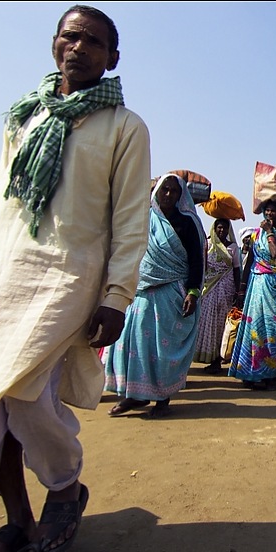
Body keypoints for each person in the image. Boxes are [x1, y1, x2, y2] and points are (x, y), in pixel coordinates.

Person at [0, 4, 151, 552]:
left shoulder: (125, 127)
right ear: (54, 42)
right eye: (70, 36)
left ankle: (63, 487)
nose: (78, 47)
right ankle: (16, 520)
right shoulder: (22, 116)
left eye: (93, 42)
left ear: (113, 58)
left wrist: (117, 295)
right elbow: (5, 202)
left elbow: (131, 220)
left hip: (67, 276)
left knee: (25, 393)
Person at [104, 174, 204, 418]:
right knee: (134, 342)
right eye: (165, 190)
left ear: (181, 196)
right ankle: (133, 396)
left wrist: (192, 292)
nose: (168, 194)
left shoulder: (188, 223)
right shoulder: (145, 219)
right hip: (141, 292)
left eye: (174, 191)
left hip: (172, 292)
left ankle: (162, 398)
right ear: (157, 192)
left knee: (163, 347)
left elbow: (196, 259)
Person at [228, 200, 276, 391]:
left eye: (273, 211)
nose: (269, 214)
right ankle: (248, 373)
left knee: (272, 330)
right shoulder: (256, 235)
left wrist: (269, 233)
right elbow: (250, 261)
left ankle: (268, 374)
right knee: (253, 329)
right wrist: (241, 289)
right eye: (267, 211)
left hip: (275, 286)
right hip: (256, 286)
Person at [193, 218, 240, 375]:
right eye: (219, 227)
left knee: (220, 326)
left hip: (225, 290)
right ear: (215, 228)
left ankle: (216, 361)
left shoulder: (233, 247)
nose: (222, 231)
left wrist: (238, 292)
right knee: (205, 323)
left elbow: (237, 270)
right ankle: (204, 356)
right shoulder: (208, 244)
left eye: (225, 228)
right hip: (208, 289)